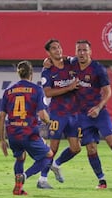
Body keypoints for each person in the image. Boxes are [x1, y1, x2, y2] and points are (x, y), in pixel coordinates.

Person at [72, 39, 112, 189]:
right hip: (82, 115)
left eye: (84, 50)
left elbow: (108, 92)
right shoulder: (72, 64)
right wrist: (48, 61)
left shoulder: (98, 69)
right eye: (79, 50)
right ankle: (101, 180)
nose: (81, 53)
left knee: (111, 140)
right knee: (91, 148)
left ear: (90, 52)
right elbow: (58, 61)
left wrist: (99, 107)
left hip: (99, 112)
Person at [0, 60, 53, 195]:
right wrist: (50, 122)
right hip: (29, 133)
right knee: (48, 156)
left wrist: (2, 140)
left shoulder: (8, 91)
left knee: (20, 157)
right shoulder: (36, 89)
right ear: (31, 74)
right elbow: (42, 114)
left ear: (19, 73)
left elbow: (1, 117)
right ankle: (24, 176)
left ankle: (18, 188)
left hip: (13, 134)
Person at [38, 39, 81, 189]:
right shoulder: (47, 71)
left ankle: (56, 164)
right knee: (53, 147)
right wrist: (69, 87)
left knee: (76, 148)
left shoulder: (71, 63)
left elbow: (83, 61)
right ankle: (42, 179)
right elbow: (47, 92)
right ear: (48, 53)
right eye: (54, 49)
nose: (58, 50)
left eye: (59, 47)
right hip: (57, 113)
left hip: (73, 112)